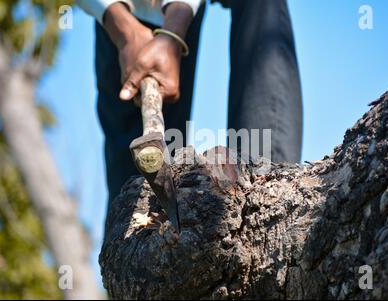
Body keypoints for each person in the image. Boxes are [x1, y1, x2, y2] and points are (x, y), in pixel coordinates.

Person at [77, 0, 303, 209]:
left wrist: (172, 33)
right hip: (119, 10)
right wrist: (122, 29)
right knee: (134, 196)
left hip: (182, 8)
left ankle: (266, 189)